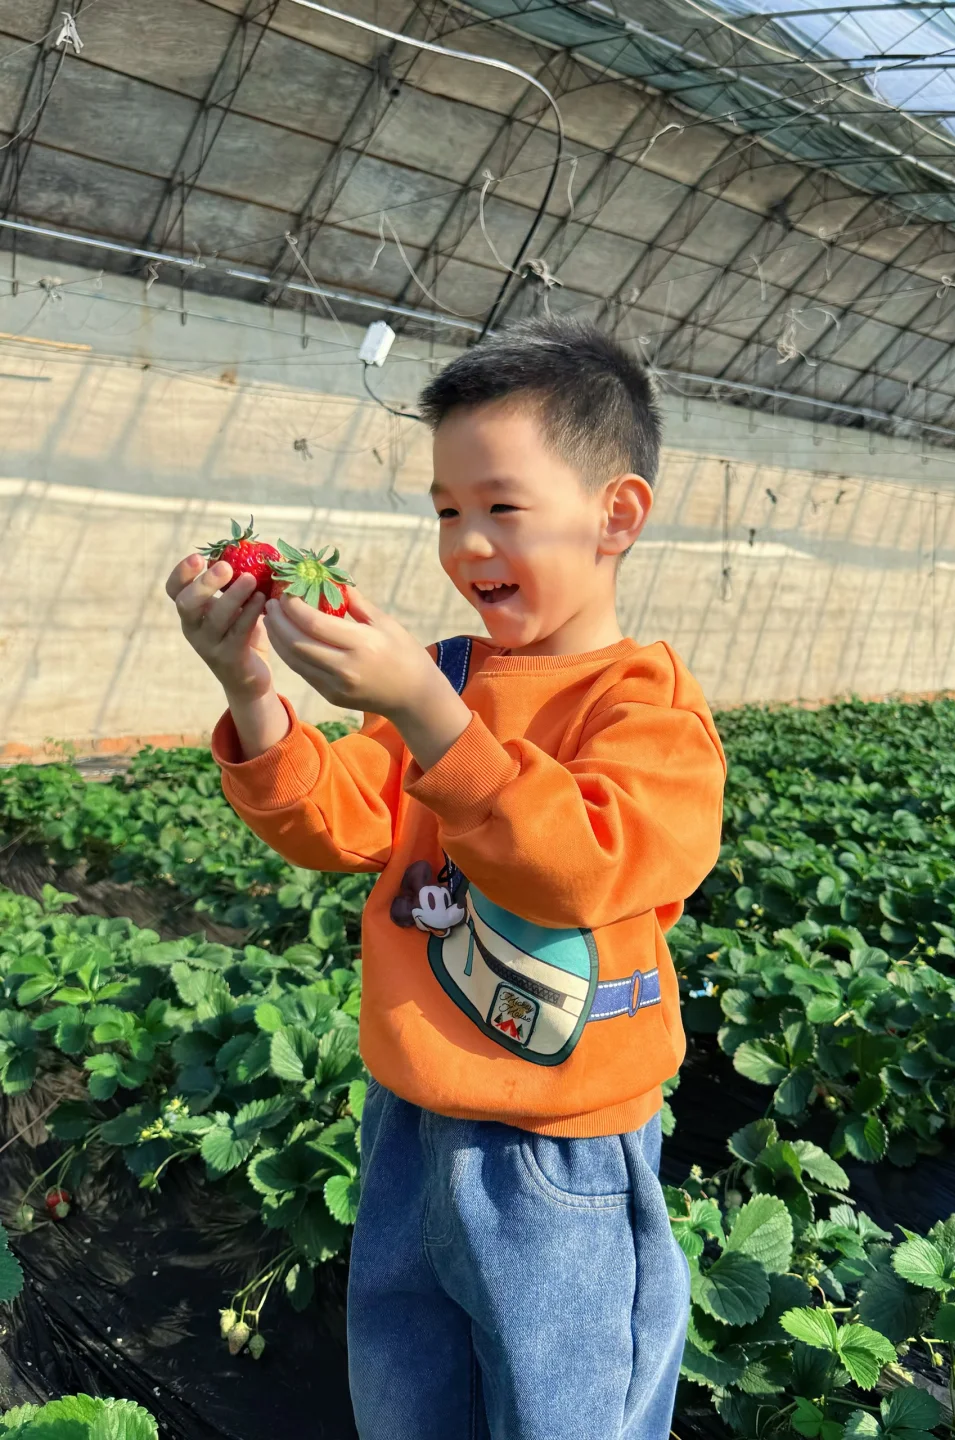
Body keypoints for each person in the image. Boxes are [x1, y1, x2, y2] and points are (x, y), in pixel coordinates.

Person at [165, 317, 726, 1440]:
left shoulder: (647, 711)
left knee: (563, 1416)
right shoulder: (452, 674)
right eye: (445, 511)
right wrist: (249, 686)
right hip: (406, 1122)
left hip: (560, 1150)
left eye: (501, 508)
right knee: (408, 1401)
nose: (467, 544)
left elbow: (580, 865)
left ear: (616, 515)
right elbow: (335, 821)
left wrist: (426, 709)